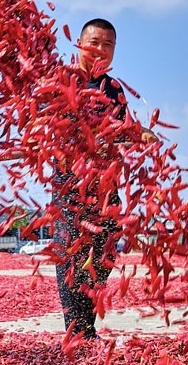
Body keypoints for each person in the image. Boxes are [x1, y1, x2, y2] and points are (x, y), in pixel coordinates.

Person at [51, 18, 157, 340]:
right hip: (71, 186)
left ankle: (85, 327)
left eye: (107, 45)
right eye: (94, 43)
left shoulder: (113, 88)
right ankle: (77, 334)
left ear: (114, 51)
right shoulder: (61, 78)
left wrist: (139, 133)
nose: (100, 50)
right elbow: (46, 123)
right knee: (71, 253)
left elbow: (120, 128)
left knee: (105, 249)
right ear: (80, 44)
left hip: (105, 185)